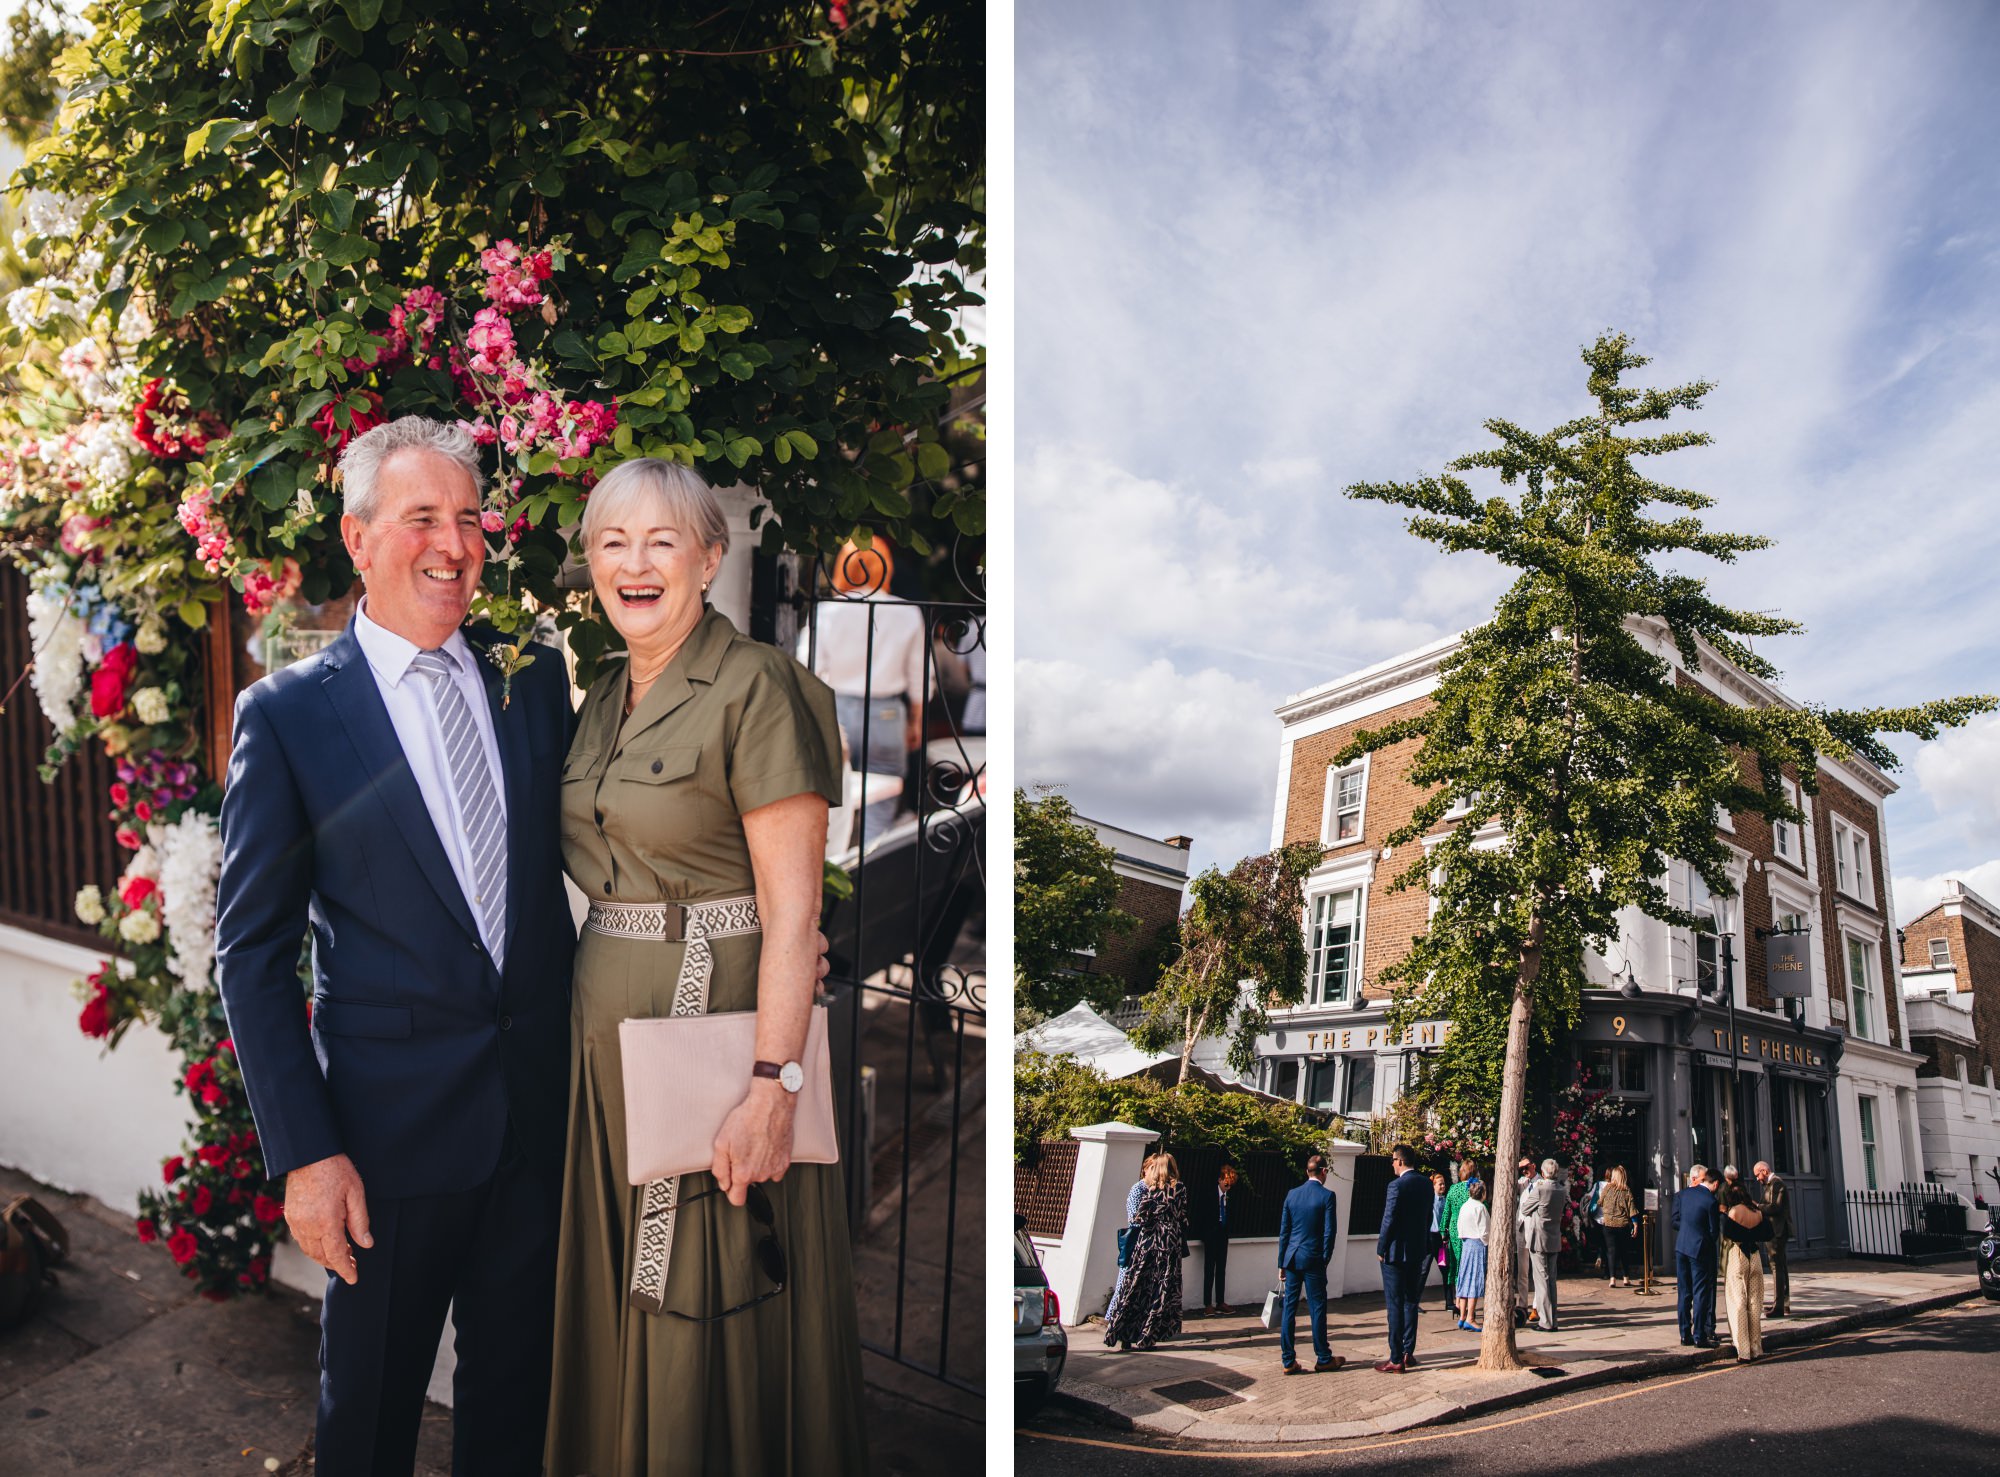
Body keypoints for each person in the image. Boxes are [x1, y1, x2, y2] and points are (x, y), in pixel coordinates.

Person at [214, 418, 582, 1475]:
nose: (454, 544)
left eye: (468, 519)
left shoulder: (533, 684)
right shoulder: (287, 716)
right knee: (368, 1422)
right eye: (423, 517)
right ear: (360, 537)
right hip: (383, 1149)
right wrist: (306, 1154)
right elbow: (251, 952)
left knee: (514, 1413)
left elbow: (616, 844)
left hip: (534, 1126)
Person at [546, 457, 868, 1475]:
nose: (633, 564)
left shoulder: (758, 686)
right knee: (621, 1293)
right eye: (612, 542)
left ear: (710, 558)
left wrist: (774, 1086)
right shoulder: (599, 694)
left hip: (713, 1042)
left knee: (698, 1295)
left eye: (660, 541)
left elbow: (792, 911)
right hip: (603, 1055)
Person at [798, 537, 932, 845]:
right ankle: (869, 876)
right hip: (885, 714)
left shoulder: (829, 611)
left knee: (831, 801)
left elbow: (808, 668)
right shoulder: (906, 612)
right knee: (880, 809)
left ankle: (837, 872)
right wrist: (915, 721)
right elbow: (920, 678)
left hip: (835, 710)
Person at [1104, 1153, 1189, 1351]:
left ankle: (1124, 1334)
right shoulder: (1178, 1189)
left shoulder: (1149, 1190)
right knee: (1159, 1292)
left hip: (1147, 1245)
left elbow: (1138, 1218)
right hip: (1167, 1246)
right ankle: (1146, 1336)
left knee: (1137, 1289)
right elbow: (1183, 1217)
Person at [1274, 1154, 1343, 1374]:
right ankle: (1323, 1357)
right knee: (1317, 1308)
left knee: (1289, 1309)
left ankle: (1288, 1360)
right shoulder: (1327, 1196)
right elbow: (1329, 1232)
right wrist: (1324, 1258)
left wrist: (1281, 1262)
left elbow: (1284, 1231)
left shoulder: (1292, 1195)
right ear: (1323, 1172)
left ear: (1307, 1172)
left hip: (1292, 1258)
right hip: (1313, 1259)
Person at [1376, 1144, 1433, 1372]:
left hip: (1395, 1253)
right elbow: (1428, 1217)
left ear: (1400, 1161)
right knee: (1411, 1302)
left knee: (1395, 1305)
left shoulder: (1396, 1186)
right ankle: (1409, 1352)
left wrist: (1381, 1248)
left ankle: (1396, 1357)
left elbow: (1388, 1220)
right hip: (1417, 1251)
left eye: (1392, 1160)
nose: (1391, 1164)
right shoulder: (1426, 1184)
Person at [1673, 1163, 1721, 1348]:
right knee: (1700, 1292)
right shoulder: (1710, 1201)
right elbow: (1713, 1231)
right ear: (1715, 1184)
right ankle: (1700, 1335)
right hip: (1699, 1250)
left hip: (1681, 1248)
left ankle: (1685, 1334)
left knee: (1684, 1292)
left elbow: (1681, 1220)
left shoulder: (1684, 1194)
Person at [1719, 1181, 1768, 1363]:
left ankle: (1744, 1350)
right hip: (1755, 1257)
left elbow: (1727, 1235)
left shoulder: (1733, 1212)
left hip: (1738, 1255)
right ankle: (1756, 1347)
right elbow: (1766, 1232)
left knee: (1738, 1301)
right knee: (1755, 1302)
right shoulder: (1757, 1212)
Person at [1518, 1158, 1565, 1333]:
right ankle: (1553, 1319)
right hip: (1553, 1237)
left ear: (1544, 1173)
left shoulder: (1540, 1188)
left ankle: (1546, 1321)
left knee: (1541, 1281)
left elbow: (1525, 1209)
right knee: (1551, 1280)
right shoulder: (1561, 1189)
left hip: (1539, 1237)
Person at [1754, 1160, 1793, 1317]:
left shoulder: (1777, 1183)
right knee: (1780, 1267)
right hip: (1775, 1231)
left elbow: (1775, 1207)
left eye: (1757, 1175)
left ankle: (1779, 1307)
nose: (1757, 1179)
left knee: (1777, 1267)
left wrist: (1757, 1206)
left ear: (1764, 1170)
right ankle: (1783, 1303)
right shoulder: (1772, 1184)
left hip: (1777, 1231)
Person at [1113, 1159, 1153, 1304]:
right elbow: (1133, 1218)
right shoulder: (1138, 1188)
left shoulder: (1153, 1190)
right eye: (1152, 1169)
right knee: (1124, 1283)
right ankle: (1113, 1316)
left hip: (1146, 1243)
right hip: (1135, 1241)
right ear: (1145, 1170)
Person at [1440, 1158, 1478, 1310]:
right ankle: (1467, 1303)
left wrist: (1444, 1232)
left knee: (1456, 1265)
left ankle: (1457, 1300)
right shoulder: (1475, 1187)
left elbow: (1446, 1212)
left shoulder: (1453, 1189)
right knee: (1469, 1266)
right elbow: (1484, 1207)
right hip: (1470, 1230)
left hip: (1455, 1230)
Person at [1202, 1163, 1239, 1314]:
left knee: (1221, 1269)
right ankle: (1207, 1303)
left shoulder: (1228, 1197)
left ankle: (1220, 1301)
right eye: (1226, 1182)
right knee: (1209, 1269)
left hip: (1223, 1235)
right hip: (1211, 1235)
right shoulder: (1210, 1195)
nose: (1227, 1185)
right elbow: (1202, 1215)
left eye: (1230, 1183)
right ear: (1219, 1180)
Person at [1454, 1180, 1490, 1331]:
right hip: (1477, 1244)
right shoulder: (1480, 1208)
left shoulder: (1465, 1206)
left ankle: (1462, 1316)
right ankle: (1470, 1317)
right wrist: (1487, 1243)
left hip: (1466, 1244)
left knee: (1465, 1278)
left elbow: (1459, 1227)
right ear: (1482, 1193)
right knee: (1474, 1279)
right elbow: (1485, 1230)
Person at [1599, 1165, 1637, 1287]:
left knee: (1611, 1251)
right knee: (1623, 1251)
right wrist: (1635, 1224)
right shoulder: (1626, 1190)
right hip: (1622, 1225)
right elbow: (1632, 1209)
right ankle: (1626, 1277)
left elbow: (1600, 1202)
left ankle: (1612, 1279)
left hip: (1608, 1224)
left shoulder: (1607, 1188)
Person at [1422, 1170, 1450, 1309]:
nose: (1443, 1186)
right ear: (1433, 1186)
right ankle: (1414, 1302)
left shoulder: (1444, 1201)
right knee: (1423, 1270)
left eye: (1444, 1184)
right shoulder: (1430, 1200)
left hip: (1440, 1239)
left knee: (1445, 1269)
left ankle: (1449, 1301)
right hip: (1430, 1238)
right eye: (1440, 1184)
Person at [1582, 1161, 1608, 1276]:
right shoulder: (1613, 1185)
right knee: (1609, 1245)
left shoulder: (1598, 1185)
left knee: (1601, 1242)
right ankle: (1608, 1270)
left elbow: (1589, 1196)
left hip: (1597, 1218)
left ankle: (1599, 1256)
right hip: (1609, 1219)